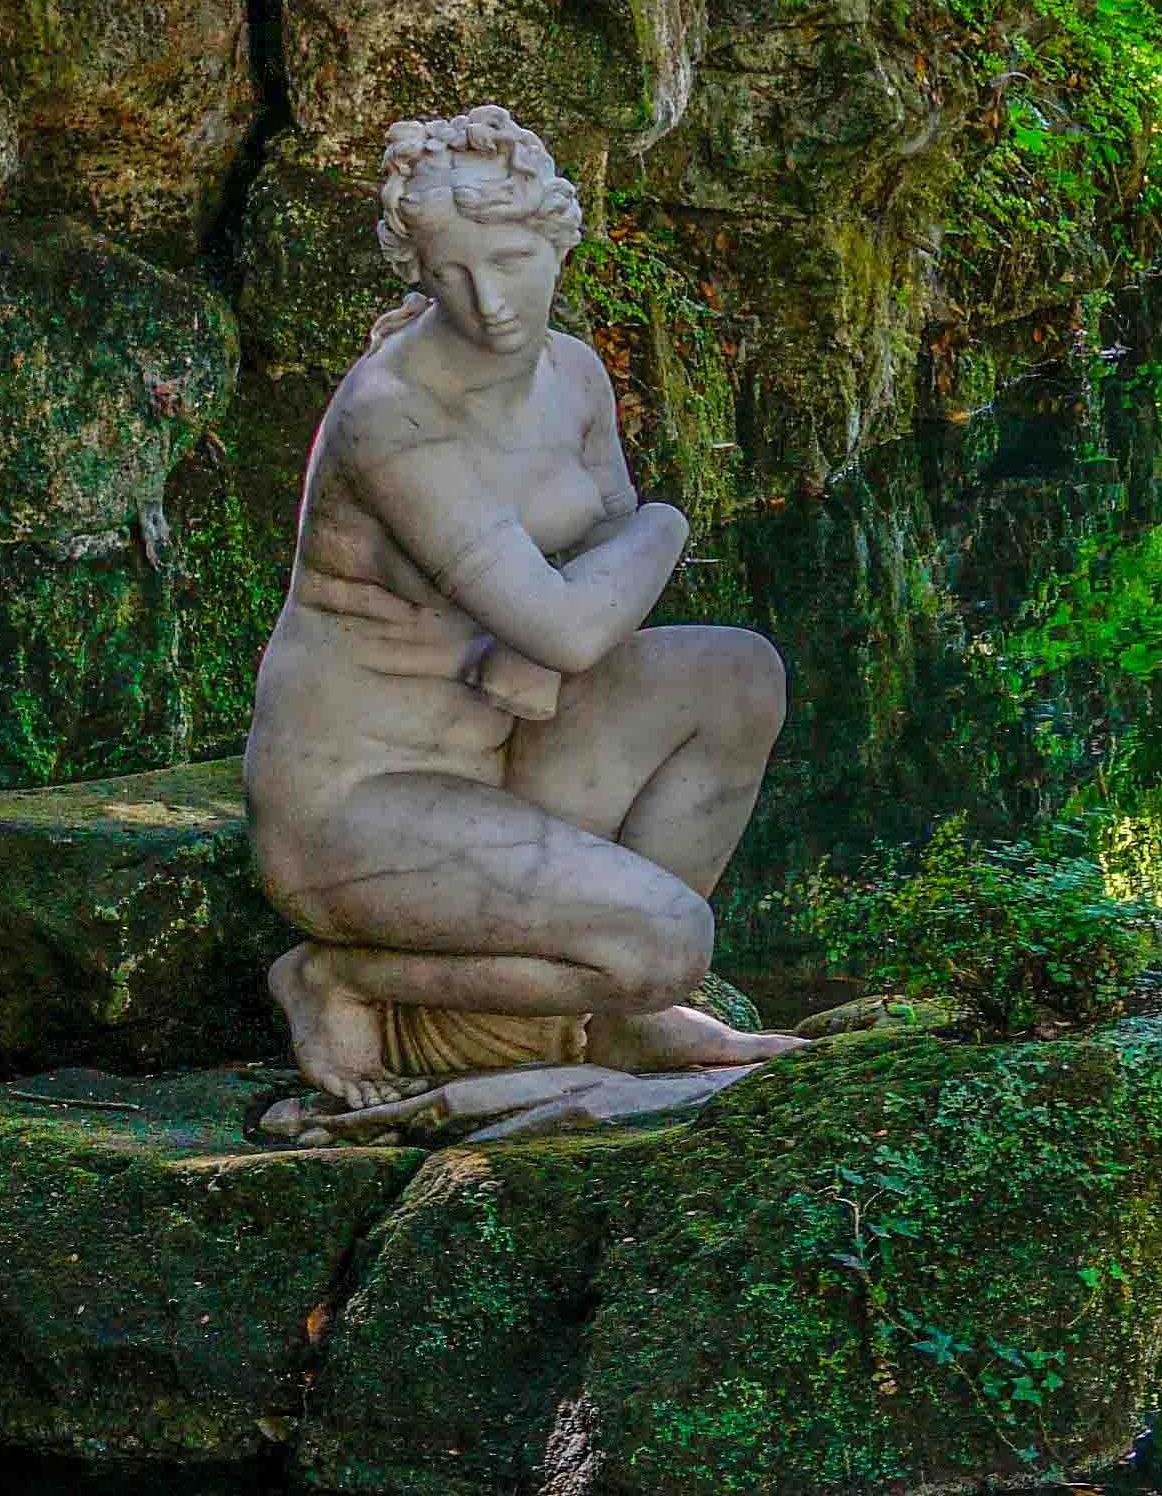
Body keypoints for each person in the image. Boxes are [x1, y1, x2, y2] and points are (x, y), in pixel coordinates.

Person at [246, 105, 809, 1110]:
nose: (491, 301)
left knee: (737, 676)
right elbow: (580, 614)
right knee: (671, 940)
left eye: (511, 260)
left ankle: (620, 1013)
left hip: (505, 748)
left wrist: (551, 635)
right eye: (451, 272)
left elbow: (596, 563)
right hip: (364, 806)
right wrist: (668, 529)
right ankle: (342, 976)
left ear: (554, 236)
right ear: (414, 269)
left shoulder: (574, 374)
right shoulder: (395, 417)